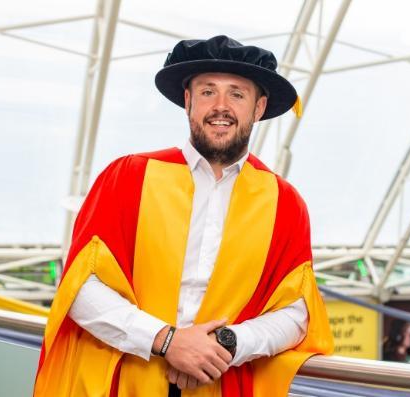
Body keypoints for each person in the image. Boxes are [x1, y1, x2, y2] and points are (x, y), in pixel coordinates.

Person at [33, 35, 333, 397]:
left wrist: (225, 344)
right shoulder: (129, 177)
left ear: (258, 108)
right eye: (207, 92)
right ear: (188, 101)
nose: (220, 106)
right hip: (123, 379)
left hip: (219, 383)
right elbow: (79, 286)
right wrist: (166, 341)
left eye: (237, 94)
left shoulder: (285, 203)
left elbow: (296, 313)